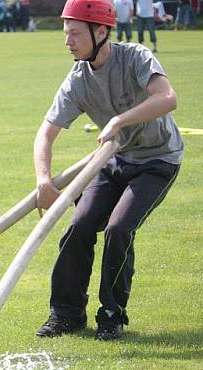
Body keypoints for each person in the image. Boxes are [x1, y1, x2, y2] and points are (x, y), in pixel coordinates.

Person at [33, 0, 182, 341]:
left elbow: (167, 98)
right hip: (113, 161)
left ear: (101, 32)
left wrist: (119, 120)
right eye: (65, 33)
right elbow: (45, 133)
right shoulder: (77, 80)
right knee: (79, 226)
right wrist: (43, 179)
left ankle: (111, 312)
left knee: (118, 228)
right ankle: (66, 314)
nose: (67, 41)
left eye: (74, 33)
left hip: (158, 160)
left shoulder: (136, 57)